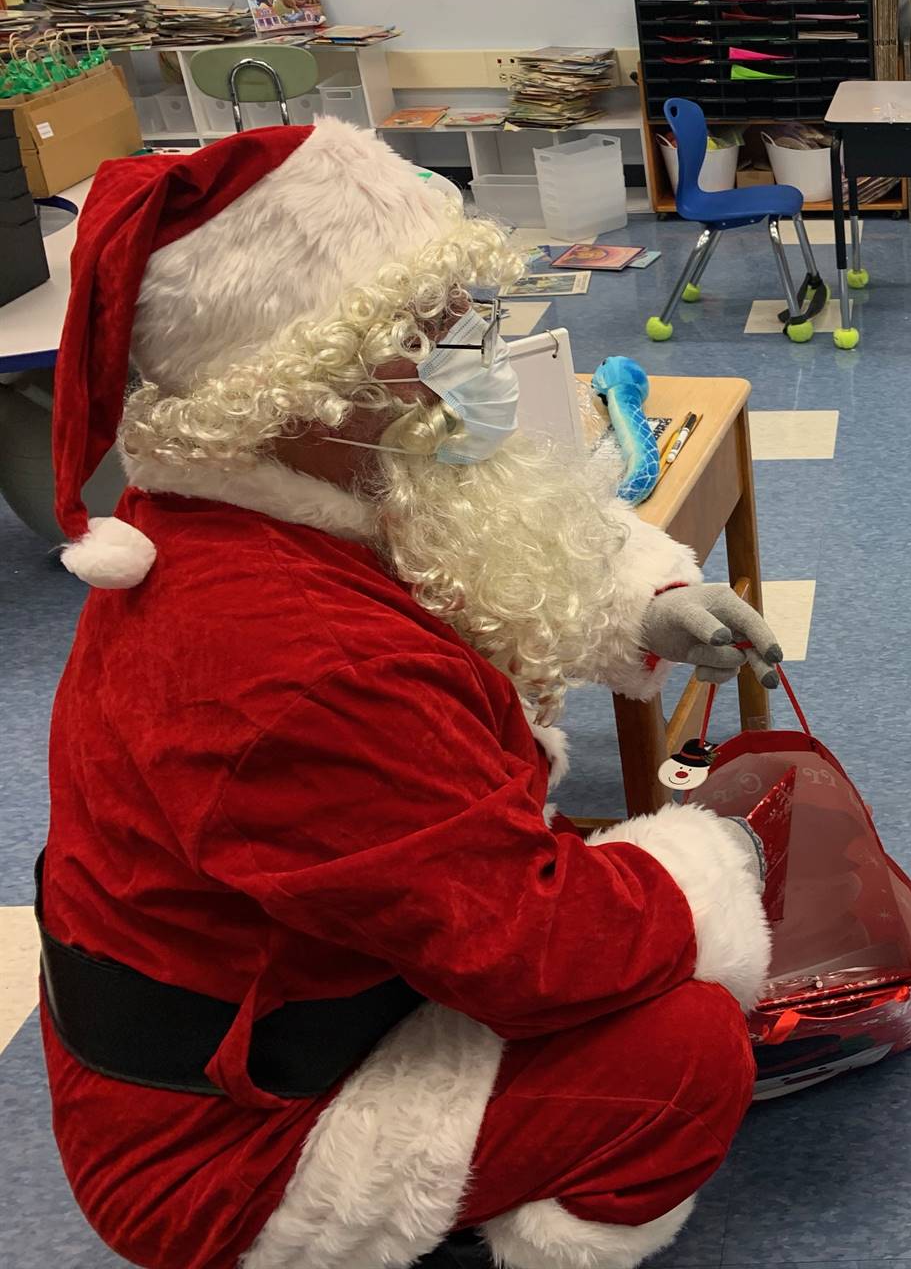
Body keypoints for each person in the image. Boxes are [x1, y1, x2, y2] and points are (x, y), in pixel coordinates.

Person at [37, 121, 786, 1269]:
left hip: (275, 1009)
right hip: (228, 1147)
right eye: (420, 339)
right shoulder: (290, 663)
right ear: (304, 380)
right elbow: (536, 953)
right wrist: (704, 873)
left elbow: (474, 567)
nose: (460, 366)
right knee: (687, 1047)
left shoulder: (259, 500)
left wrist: (641, 606)